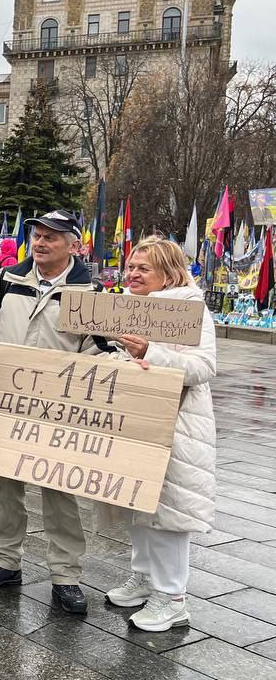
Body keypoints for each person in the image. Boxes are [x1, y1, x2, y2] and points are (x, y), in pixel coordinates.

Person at [0, 209, 110, 615]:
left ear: (73, 246)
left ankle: (66, 576)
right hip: (6, 404)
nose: (41, 243)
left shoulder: (90, 294)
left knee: (60, 491)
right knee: (6, 486)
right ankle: (4, 561)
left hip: (60, 413)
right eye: (37, 235)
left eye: (51, 237)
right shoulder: (7, 279)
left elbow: (104, 350)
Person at [105, 237, 216, 631]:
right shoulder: (129, 306)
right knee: (136, 502)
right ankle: (145, 577)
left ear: (168, 273)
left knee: (168, 513)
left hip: (178, 427)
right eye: (130, 267)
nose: (131, 274)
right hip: (136, 421)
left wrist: (150, 352)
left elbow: (202, 367)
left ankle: (172, 598)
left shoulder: (191, 310)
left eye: (142, 269)